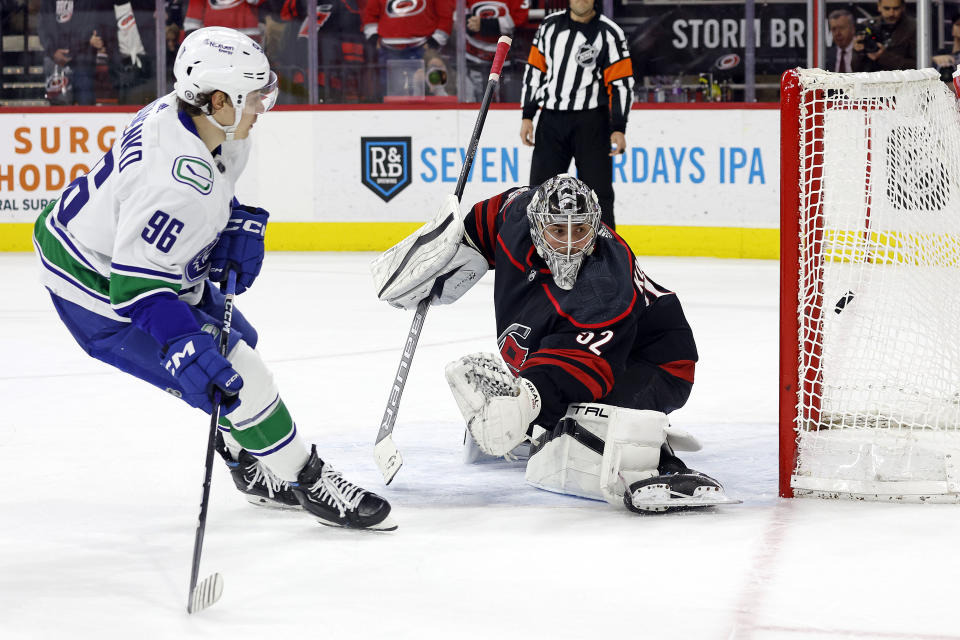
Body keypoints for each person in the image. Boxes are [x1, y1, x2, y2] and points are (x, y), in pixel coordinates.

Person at [32, 26, 395, 531]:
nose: (262, 108)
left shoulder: (205, 121)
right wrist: (181, 341)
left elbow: (203, 193)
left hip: (126, 251)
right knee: (236, 373)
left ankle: (246, 465)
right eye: (255, 98)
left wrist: (233, 221)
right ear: (220, 98)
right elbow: (135, 288)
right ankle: (308, 482)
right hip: (93, 282)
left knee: (240, 343)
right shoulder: (173, 181)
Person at [371, 174, 737, 514]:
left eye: (579, 230)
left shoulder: (606, 284)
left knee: (599, 422)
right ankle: (540, 425)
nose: (567, 243)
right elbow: (484, 222)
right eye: (556, 230)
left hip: (654, 357)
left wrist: (527, 401)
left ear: (594, 228)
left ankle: (662, 465)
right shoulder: (515, 215)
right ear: (534, 223)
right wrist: (449, 252)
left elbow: (580, 366)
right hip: (590, 346)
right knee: (556, 420)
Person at [519, 0, 634, 229]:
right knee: (540, 193)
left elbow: (621, 83)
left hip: (591, 122)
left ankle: (605, 256)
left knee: (598, 193)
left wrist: (619, 127)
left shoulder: (610, 33)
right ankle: (533, 252)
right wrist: (527, 115)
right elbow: (535, 71)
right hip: (551, 120)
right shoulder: (549, 27)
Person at [362, 0, 454, 100]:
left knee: (429, 94)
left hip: (422, 48)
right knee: (392, 98)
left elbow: (446, 15)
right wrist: (373, 37)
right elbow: (370, 15)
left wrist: (436, 40)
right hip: (388, 51)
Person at [37, 0, 116, 105]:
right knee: (58, 110)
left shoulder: (89, 3)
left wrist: (69, 49)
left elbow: (90, 25)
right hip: (56, 63)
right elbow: (43, 27)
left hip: (83, 61)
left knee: (86, 108)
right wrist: (53, 52)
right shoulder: (49, 2)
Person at [462, 0, 528, 102]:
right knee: (475, 102)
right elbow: (459, 11)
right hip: (474, 58)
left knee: (503, 102)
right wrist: (468, 22)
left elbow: (520, 18)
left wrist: (485, 25)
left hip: (506, 60)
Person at [851, 0, 916, 72]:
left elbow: (920, 65)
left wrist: (884, 57)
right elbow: (855, 68)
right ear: (879, 6)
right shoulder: (867, 26)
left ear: (903, 7)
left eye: (896, 8)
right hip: (870, 79)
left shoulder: (915, 28)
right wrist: (858, 52)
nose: (891, 13)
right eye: (887, 8)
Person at [826, 9, 856, 73]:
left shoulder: (862, 52)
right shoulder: (828, 56)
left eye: (842, 28)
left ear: (853, 29)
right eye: (834, 29)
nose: (837, 33)